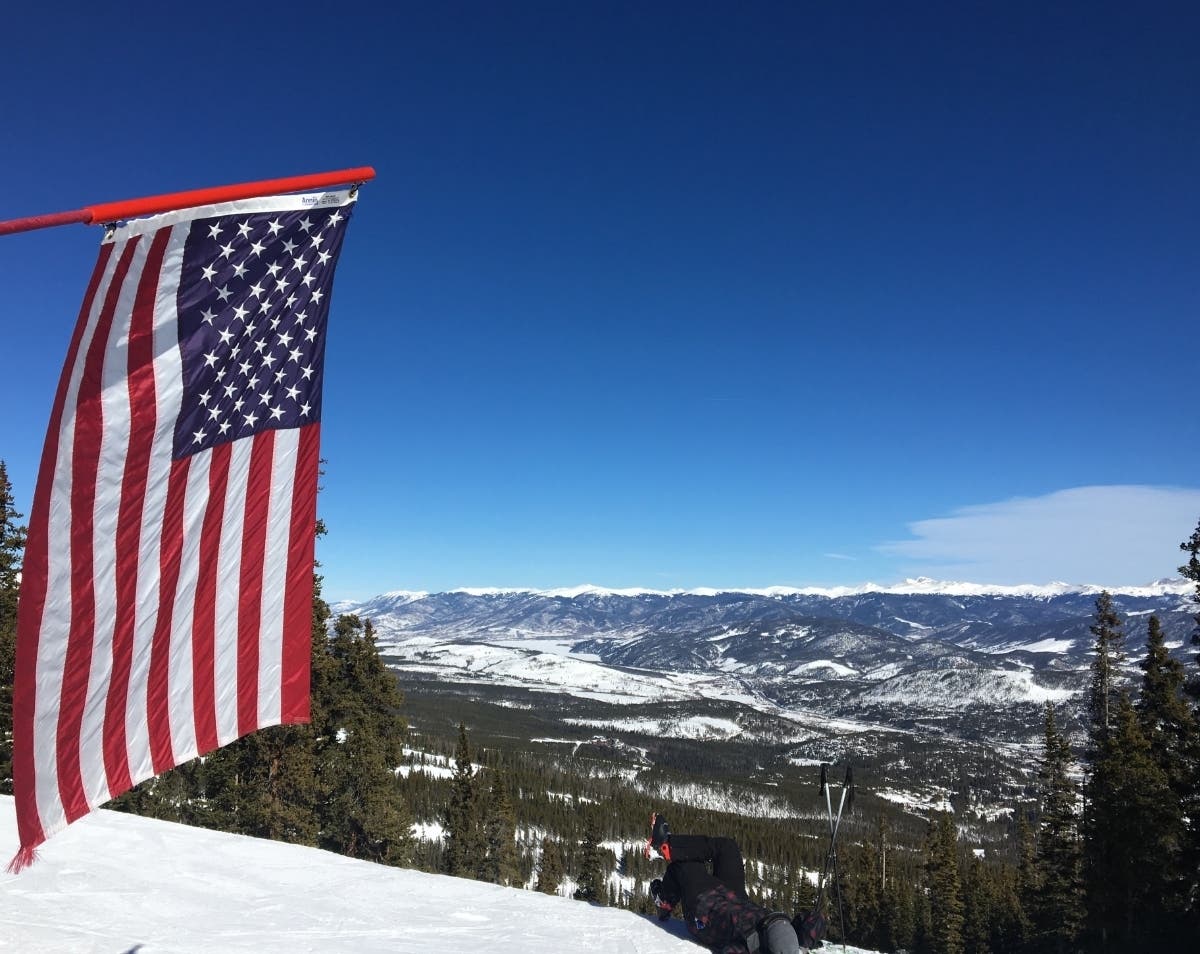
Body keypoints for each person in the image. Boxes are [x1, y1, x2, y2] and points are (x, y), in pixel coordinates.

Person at [645, 813, 804, 954]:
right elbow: (813, 926)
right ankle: (667, 845)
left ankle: (664, 901)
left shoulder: (748, 947)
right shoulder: (788, 941)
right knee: (728, 847)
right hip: (736, 899)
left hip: (706, 910)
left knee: (686, 865)